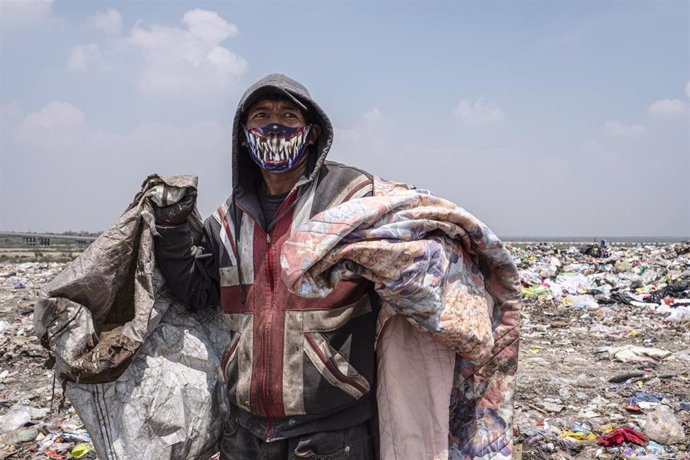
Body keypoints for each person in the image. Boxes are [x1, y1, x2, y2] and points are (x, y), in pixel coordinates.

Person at [153, 74, 379, 459]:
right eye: (261, 116)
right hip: (246, 430)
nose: (275, 125)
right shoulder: (225, 221)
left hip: (333, 432)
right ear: (243, 135)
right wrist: (172, 229)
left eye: (289, 115)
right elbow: (195, 292)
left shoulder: (352, 198)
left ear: (311, 134)